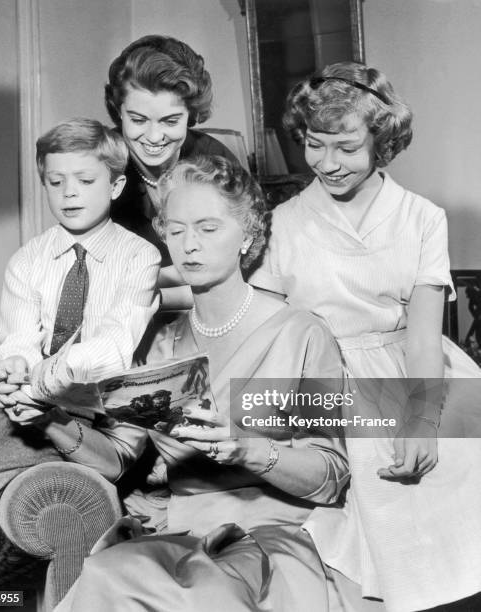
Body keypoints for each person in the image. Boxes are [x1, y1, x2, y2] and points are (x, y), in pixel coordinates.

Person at [55, 155, 350, 612]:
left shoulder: (302, 333)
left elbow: (331, 475)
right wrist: (46, 421)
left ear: (248, 235)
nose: (189, 245)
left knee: (214, 595)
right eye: (175, 230)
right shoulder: (155, 339)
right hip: (180, 534)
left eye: (208, 229)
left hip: (270, 536)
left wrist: (245, 447)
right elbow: (118, 458)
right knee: (106, 573)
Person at [249, 62, 481, 611]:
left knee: (460, 462)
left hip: (414, 371)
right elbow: (265, 326)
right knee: (374, 495)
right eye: (314, 144)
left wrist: (422, 422)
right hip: (323, 377)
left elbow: (425, 337)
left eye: (347, 147)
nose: (327, 164)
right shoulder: (282, 223)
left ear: (382, 142)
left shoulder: (422, 218)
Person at [0, 118, 161, 609]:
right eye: (55, 181)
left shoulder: (139, 257)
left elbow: (112, 348)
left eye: (85, 181)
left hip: (96, 411)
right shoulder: (29, 260)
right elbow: (18, 340)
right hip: (19, 408)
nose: (69, 194)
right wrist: (10, 374)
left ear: (116, 184)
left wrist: (41, 383)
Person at [105, 34, 237, 266]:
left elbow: (238, 261)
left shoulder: (216, 159)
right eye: (138, 120)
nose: (154, 137)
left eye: (170, 121)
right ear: (118, 111)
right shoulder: (100, 162)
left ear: (192, 115)